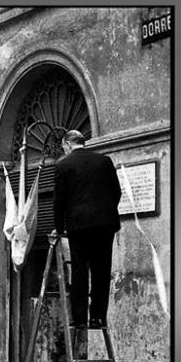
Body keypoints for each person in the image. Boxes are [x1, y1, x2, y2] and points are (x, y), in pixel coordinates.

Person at [51, 129, 123, 329]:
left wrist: (59, 228)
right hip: (104, 223)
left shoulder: (63, 165)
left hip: (79, 225)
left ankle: (80, 318)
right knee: (102, 270)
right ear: (83, 142)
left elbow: (59, 202)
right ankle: (98, 317)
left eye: (63, 147)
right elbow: (116, 192)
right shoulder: (104, 161)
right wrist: (104, 211)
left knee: (80, 270)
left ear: (67, 144)